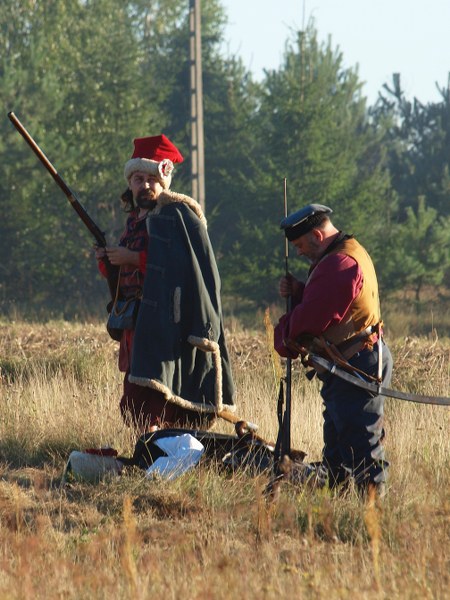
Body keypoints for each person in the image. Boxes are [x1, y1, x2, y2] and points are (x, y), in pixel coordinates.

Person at [96, 134, 235, 432]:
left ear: (163, 180)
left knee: (159, 398)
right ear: (130, 183)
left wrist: (132, 257)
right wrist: (109, 260)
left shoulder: (176, 216)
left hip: (167, 323)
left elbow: (181, 267)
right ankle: (148, 451)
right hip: (137, 322)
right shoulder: (135, 220)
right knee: (136, 400)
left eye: (151, 179)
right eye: (138, 179)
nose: (145, 185)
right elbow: (124, 277)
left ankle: (163, 452)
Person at [274, 204, 393, 497]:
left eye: (300, 245)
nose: (299, 252)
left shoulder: (340, 263)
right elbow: (332, 302)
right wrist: (301, 291)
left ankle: (374, 513)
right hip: (350, 362)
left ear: (317, 235)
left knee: (361, 445)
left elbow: (313, 319)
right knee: (339, 450)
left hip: (356, 364)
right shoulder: (343, 254)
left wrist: (283, 334)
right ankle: (336, 508)